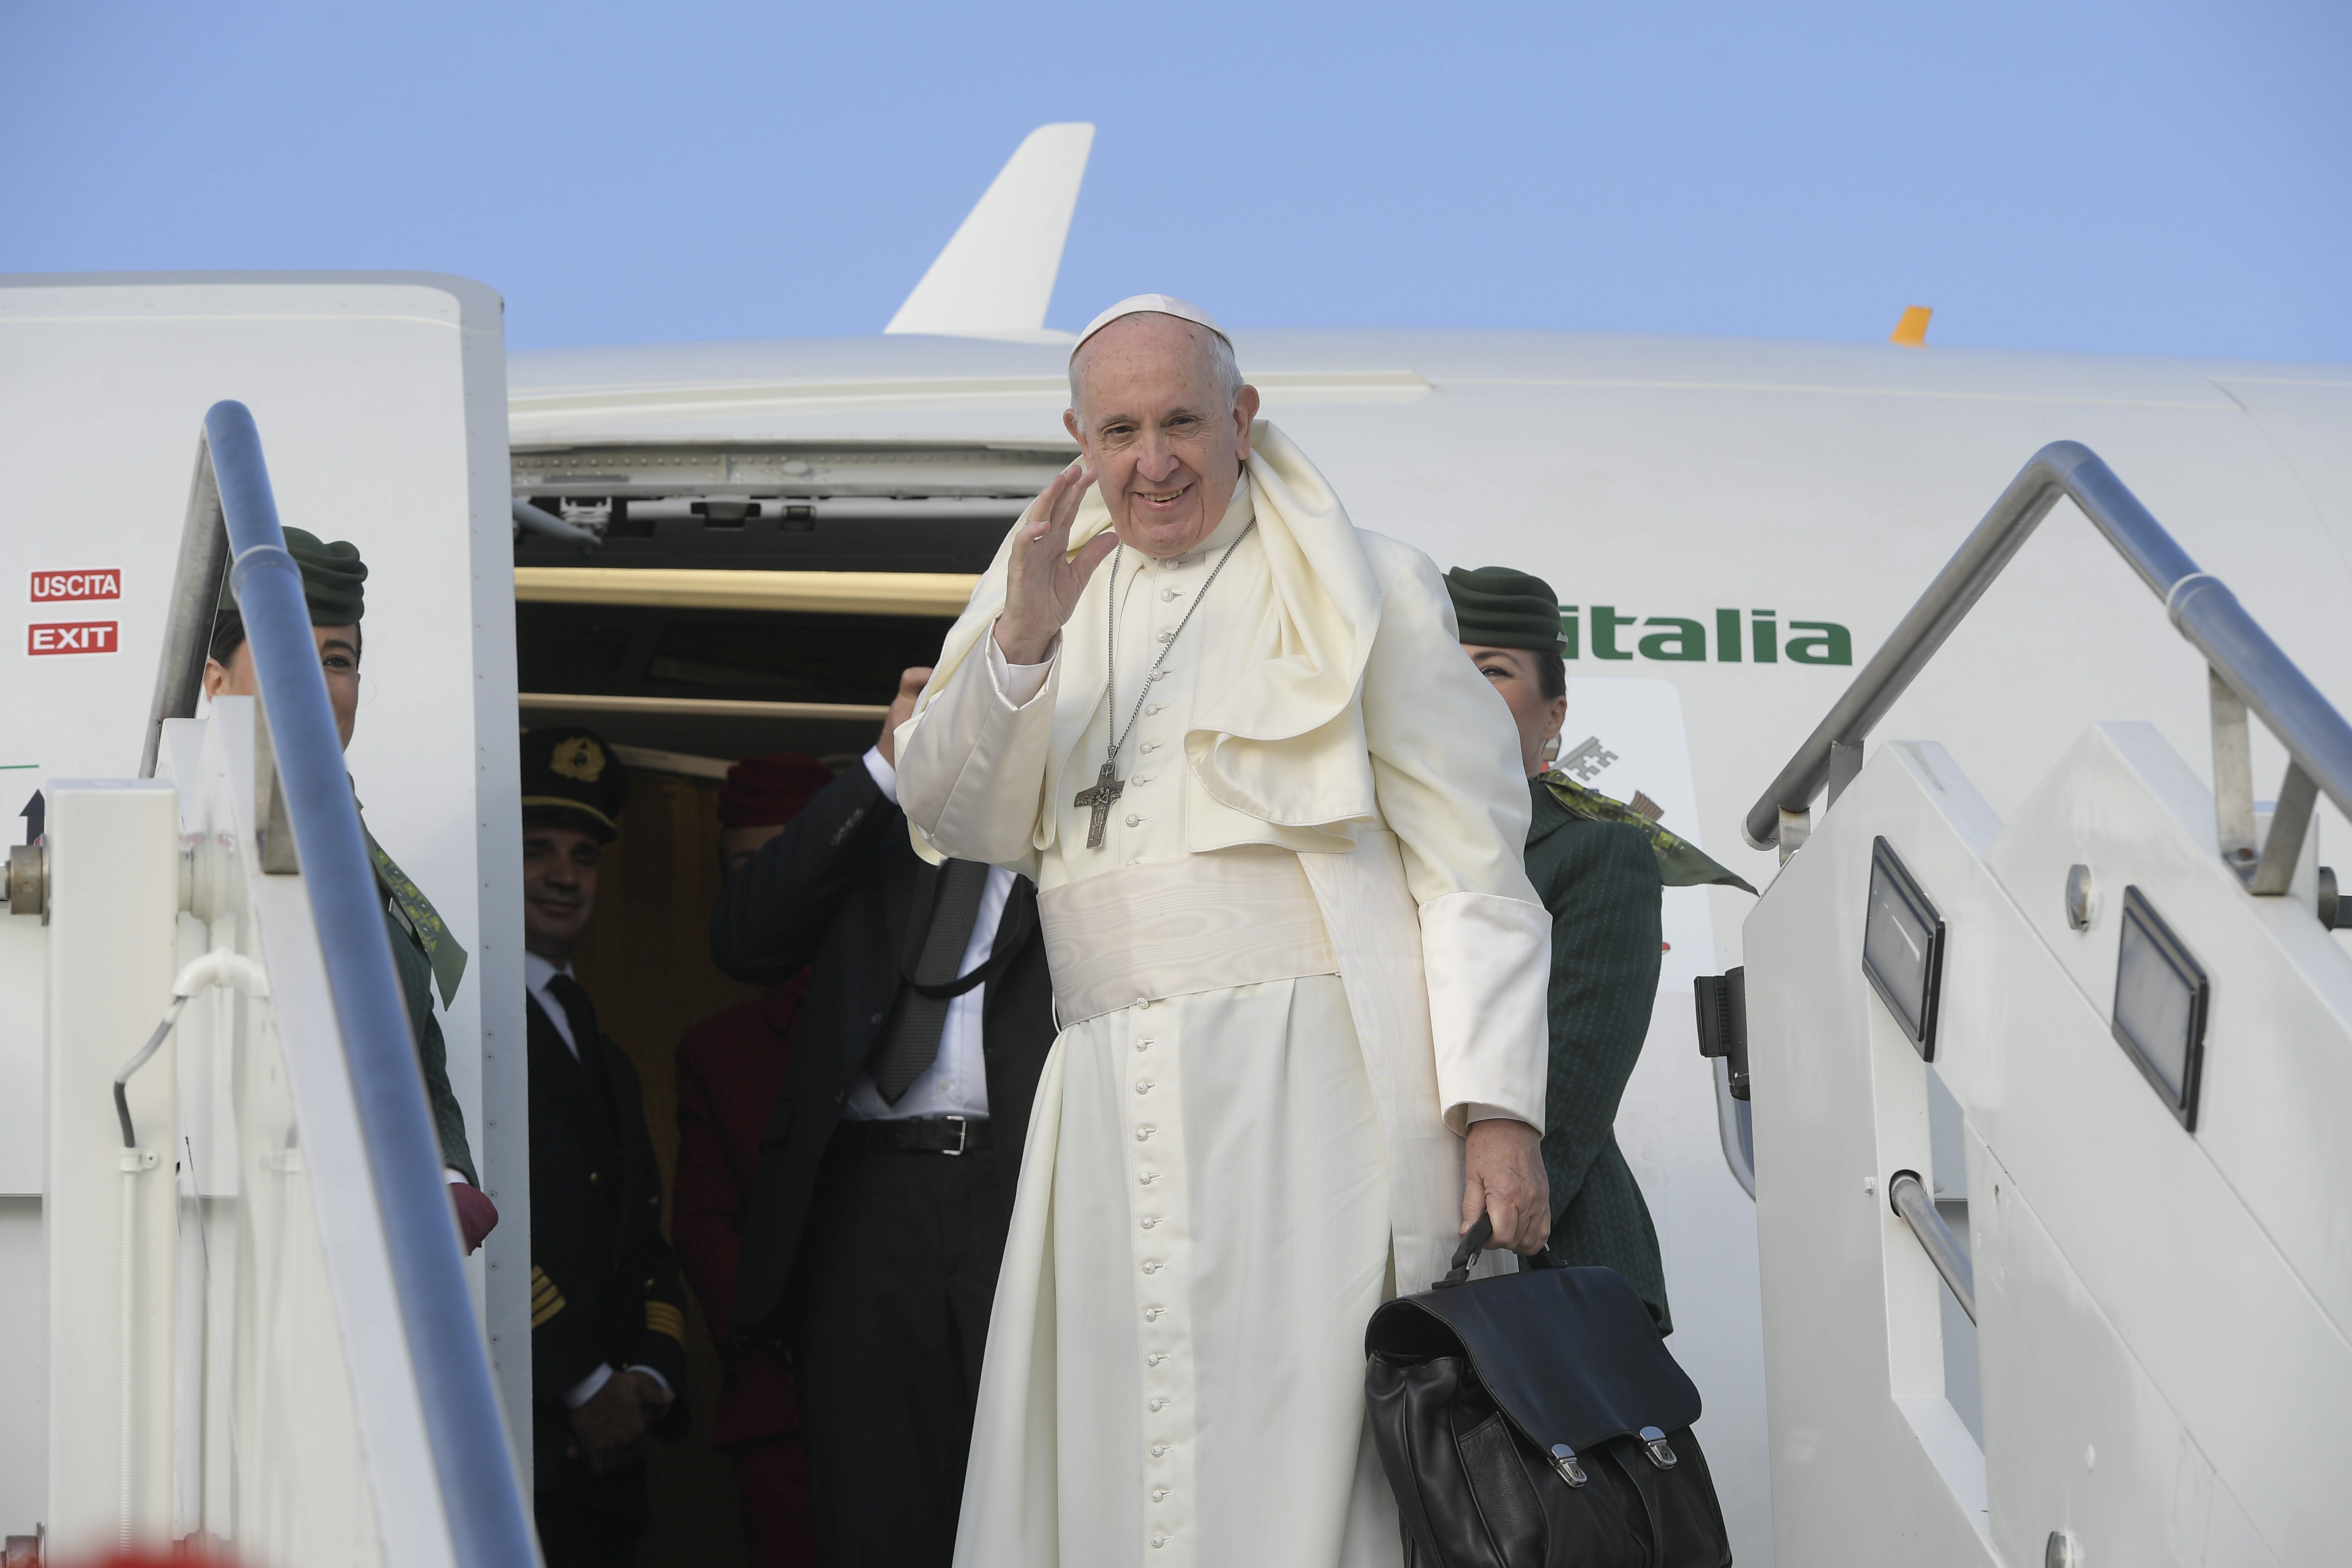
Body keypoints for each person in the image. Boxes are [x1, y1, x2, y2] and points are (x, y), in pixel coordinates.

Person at [893, 295, 1553, 1567]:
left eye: (1183, 422)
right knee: (1114, 1452)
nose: (1154, 463)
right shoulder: (1034, 592)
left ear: (1243, 419)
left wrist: (1499, 1113)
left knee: (1301, 1446)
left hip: (1311, 1090)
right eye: (1120, 432)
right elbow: (956, 813)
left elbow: (1475, 864)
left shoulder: (1372, 583)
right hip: (1103, 1095)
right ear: (1079, 440)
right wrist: (1024, 642)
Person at [711, 670, 1057, 1568]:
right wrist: (884, 765)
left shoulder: (1082, 820)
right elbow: (744, 941)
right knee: (871, 1510)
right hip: (869, 1196)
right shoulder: (887, 822)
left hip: (1022, 1195)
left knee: (1029, 1502)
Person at [1448, 564, 1748, 1333]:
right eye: (1445, 667)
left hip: (1542, 1268)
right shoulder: (1370, 851)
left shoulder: (1597, 853)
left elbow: (1571, 1091)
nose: (1465, 690)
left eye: (1494, 671)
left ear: (1554, 714)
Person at [200, 527, 495, 1251]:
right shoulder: (184, 835)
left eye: (338, 660)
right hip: (242, 1237)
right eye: (285, 649)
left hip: (367, 1239)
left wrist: (449, 1173)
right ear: (216, 682)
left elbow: (409, 1037)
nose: (316, 681)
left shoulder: (347, 841)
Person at [519, 727, 691, 1568]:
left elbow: (641, 1240)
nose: (565, 875)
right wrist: (583, 1384)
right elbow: (465, 1224)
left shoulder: (609, 1055)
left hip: (607, 1462)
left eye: (584, 856)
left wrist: (649, 1377)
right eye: (538, 850)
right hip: (522, 1440)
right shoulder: (462, 1026)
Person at [672, 753, 834, 1568]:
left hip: (926, 1378)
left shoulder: (924, 1020)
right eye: (748, 870)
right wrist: (794, 1330)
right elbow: (705, 1226)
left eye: (791, 859)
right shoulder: (720, 1051)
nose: (775, 887)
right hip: (783, 1395)